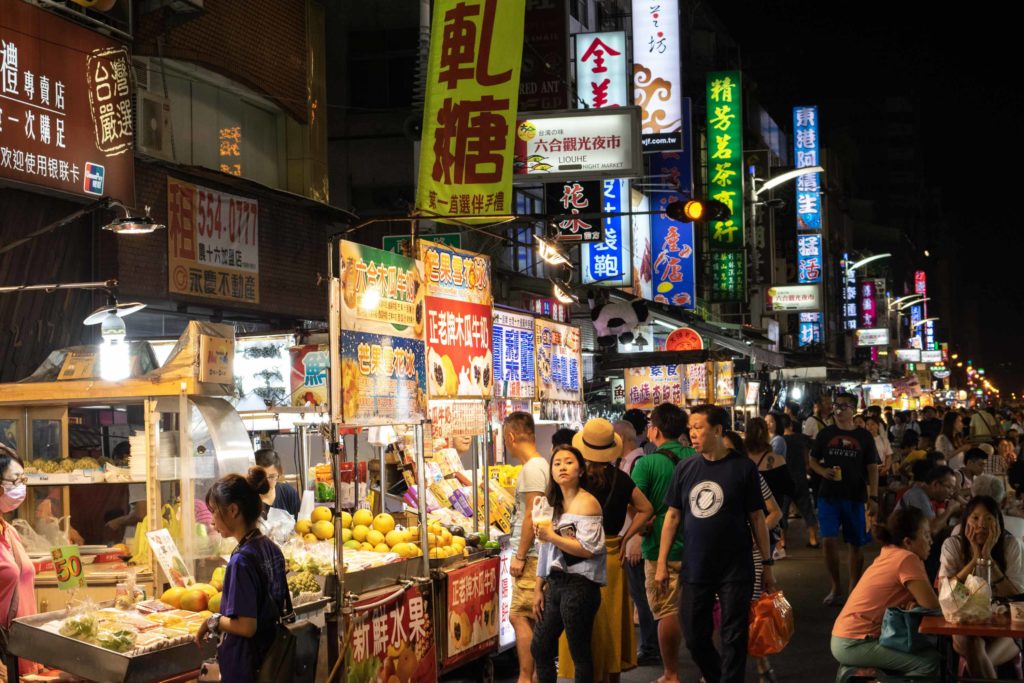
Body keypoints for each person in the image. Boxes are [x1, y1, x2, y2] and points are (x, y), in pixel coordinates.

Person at [657, 404, 775, 683]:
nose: (692, 434)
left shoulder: (743, 468)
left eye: (698, 427)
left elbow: (758, 518)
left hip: (736, 567)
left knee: (733, 636)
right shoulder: (686, 468)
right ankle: (717, 676)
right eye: (690, 429)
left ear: (718, 430)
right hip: (696, 566)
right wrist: (661, 563)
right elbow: (672, 517)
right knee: (695, 637)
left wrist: (767, 564)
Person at [557, 419, 653, 682]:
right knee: (609, 623)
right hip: (611, 556)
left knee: (582, 624)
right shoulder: (622, 479)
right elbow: (646, 510)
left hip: (578, 558)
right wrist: (626, 537)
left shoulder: (577, 480)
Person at [196, 467, 289, 682]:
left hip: (247, 666)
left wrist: (213, 620)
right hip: (270, 657)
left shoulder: (241, 560)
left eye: (214, 511)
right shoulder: (270, 548)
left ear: (233, 510)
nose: (211, 521)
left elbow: (246, 626)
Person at [830, 507, 943, 679]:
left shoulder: (891, 552)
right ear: (908, 542)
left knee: (930, 654)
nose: (931, 541)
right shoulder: (907, 559)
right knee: (929, 663)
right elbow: (933, 606)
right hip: (854, 642)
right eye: (926, 535)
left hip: (846, 636)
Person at [531, 446, 607, 683]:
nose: (562, 467)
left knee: (579, 652)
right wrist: (537, 587)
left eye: (568, 462)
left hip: (581, 584)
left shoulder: (588, 503)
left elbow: (588, 549)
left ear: (581, 469)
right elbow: (545, 550)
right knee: (540, 646)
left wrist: (551, 535)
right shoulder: (550, 503)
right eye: (557, 463)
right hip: (556, 582)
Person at [630, 403, 694, 683]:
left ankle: (671, 673)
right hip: (697, 547)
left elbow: (634, 504)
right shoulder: (697, 457)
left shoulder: (646, 463)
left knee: (666, 611)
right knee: (697, 609)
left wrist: (642, 528)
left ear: (654, 430)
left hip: (659, 551)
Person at [938, 496, 1024, 679]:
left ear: (998, 523)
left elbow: (1016, 594)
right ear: (965, 521)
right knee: (974, 645)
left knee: (978, 662)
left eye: (988, 519)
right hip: (964, 625)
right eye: (975, 518)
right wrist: (975, 560)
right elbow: (944, 590)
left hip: (1006, 627)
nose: (981, 525)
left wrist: (988, 559)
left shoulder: (1011, 545)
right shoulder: (952, 545)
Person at [809, 391, 880, 605]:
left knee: (855, 544)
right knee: (828, 540)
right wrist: (822, 472)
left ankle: (853, 589)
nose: (838, 410)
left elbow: (872, 468)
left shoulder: (864, 437)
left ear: (854, 409)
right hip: (828, 495)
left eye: (844, 406)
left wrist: (874, 496)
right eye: (836, 406)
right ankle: (836, 587)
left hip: (855, 496)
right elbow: (812, 460)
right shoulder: (825, 434)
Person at [724, 431, 783, 682]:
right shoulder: (702, 474)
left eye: (728, 451)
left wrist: (753, 534)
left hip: (749, 555)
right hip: (715, 556)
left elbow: (774, 513)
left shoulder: (750, 475)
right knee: (721, 615)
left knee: (749, 612)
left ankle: (760, 663)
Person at [504, 412, 550, 683]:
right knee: (529, 617)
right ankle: (532, 675)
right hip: (535, 555)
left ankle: (525, 676)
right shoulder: (540, 464)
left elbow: (531, 515)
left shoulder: (532, 469)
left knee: (520, 617)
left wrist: (520, 555)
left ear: (510, 437)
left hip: (531, 556)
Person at [613, 420, 659, 665]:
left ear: (621, 438)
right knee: (639, 595)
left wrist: (636, 538)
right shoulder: (628, 462)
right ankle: (650, 645)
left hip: (635, 540)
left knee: (642, 596)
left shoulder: (638, 463)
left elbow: (642, 507)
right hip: (628, 538)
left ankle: (651, 647)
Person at [0, 445, 38, 678]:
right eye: (16, 480)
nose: (22, 486)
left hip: (23, 653)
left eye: (24, 478)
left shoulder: (9, 531)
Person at [745, 417, 794, 560]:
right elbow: (790, 488)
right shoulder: (777, 459)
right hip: (771, 517)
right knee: (766, 558)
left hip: (748, 515)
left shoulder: (742, 459)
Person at [782, 412, 820, 548]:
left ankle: (782, 541)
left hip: (783, 481)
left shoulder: (777, 440)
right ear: (790, 425)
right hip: (800, 478)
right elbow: (814, 447)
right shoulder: (801, 439)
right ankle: (813, 539)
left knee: (782, 511)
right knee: (807, 509)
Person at [897, 465, 964, 535]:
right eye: (949, 487)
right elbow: (932, 530)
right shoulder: (918, 495)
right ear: (936, 484)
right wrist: (951, 509)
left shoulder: (924, 494)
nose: (951, 492)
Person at [254, 448, 300, 517]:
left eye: (271, 477)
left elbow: (300, 524)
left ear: (279, 473)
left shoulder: (288, 493)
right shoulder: (247, 499)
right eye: (261, 477)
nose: (266, 482)